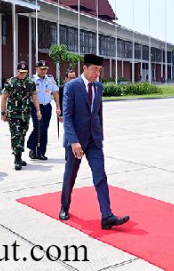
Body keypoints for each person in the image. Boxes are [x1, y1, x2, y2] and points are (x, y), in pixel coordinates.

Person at [59, 54, 130, 230]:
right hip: (76, 141)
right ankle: (64, 206)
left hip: (94, 140)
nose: (97, 73)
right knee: (71, 175)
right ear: (84, 68)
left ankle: (107, 216)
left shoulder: (98, 86)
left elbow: (98, 114)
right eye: (94, 69)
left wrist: (100, 136)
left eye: (99, 70)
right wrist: (73, 141)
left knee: (100, 176)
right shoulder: (71, 86)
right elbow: (67, 116)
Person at [1, 61, 40, 170]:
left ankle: (19, 156)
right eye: (21, 72)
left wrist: (38, 110)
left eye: (25, 72)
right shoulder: (10, 82)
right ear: (17, 71)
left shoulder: (30, 82)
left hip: (25, 114)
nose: (23, 74)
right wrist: (3, 113)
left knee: (22, 135)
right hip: (13, 114)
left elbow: (34, 96)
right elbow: (4, 98)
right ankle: (17, 158)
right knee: (16, 136)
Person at [27, 60, 61, 160]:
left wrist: (58, 107)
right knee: (39, 127)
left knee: (44, 128)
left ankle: (41, 152)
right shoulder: (31, 80)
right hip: (35, 107)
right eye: (41, 69)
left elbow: (55, 93)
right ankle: (32, 146)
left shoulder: (50, 79)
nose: (43, 71)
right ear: (36, 69)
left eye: (45, 69)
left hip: (47, 106)